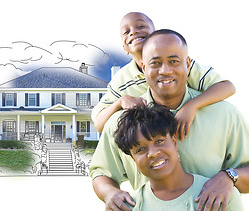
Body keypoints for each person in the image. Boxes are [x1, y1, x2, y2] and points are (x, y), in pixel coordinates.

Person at [89, 29, 249, 211]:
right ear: (143, 66)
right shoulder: (122, 122)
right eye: (155, 63)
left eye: (174, 61)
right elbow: (101, 172)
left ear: (188, 64)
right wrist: (110, 194)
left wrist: (228, 177)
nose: (164, 70)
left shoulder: (225, 114)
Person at [92, 12, 236, 142]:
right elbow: (99, 124)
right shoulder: (121, 80)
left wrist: (191, 106)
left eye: (141, 26)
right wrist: (120, 102)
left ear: (156, 34)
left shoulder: (180, 65)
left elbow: (227, 87)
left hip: (193, 133)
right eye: (126, 31)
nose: (134, 32)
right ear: (124, 47)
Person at [110, 104, 247, 211]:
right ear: (133, 159)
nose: (152, 153)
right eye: (140, 149)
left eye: (159, 141)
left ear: (174, 142)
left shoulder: (221, 194)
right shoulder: (124, 209)